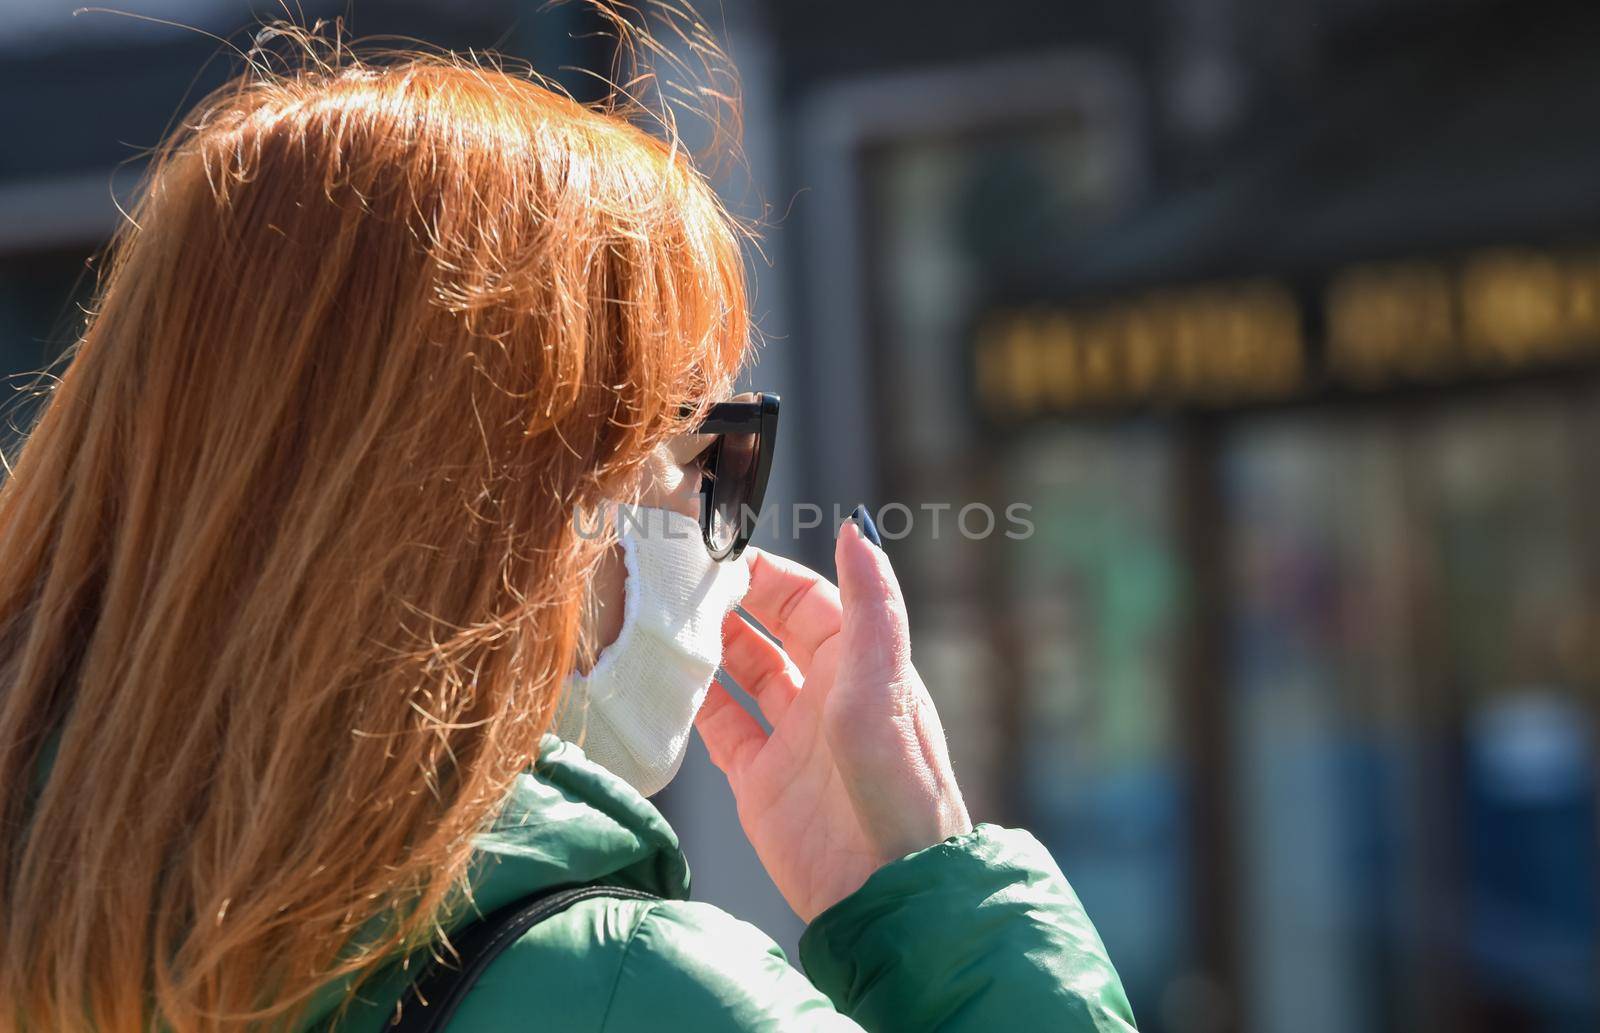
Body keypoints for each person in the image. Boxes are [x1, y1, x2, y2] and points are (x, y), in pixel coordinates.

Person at [0, 27, 1137, 1033]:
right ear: (501, 494)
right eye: (707, 444)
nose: (727, 545)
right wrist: (928, 890)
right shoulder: (641, 993)